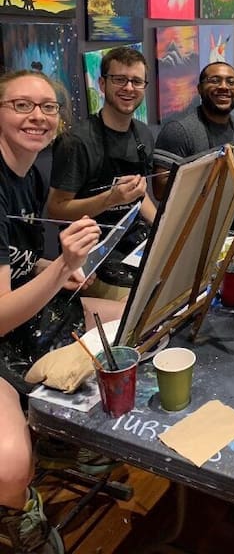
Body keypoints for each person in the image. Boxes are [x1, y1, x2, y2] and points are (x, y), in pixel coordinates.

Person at [0, 70, 104, 553]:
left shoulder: (24, 171)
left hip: (16, 320)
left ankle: (61, 436)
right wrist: (62, 264)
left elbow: (14, 262)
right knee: (10, 466)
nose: (37, 117)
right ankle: (19, 518)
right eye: (21, 105)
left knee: (119, 323)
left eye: (48, 108)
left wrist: (52, 268)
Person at [47, 47, 156, 286]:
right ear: (102, 84)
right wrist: (110, 198)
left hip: (134, 244)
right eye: (119, 79)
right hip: (92, 258)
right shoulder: (76, 142)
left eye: (136, 81)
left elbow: (140, 196)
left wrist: (164, 227)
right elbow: (56, 211)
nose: (128, 88)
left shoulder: (143, 135)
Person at [153, 62, 234, 201]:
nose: (224, 86)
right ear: (199, 89)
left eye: (231, 82)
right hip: (190, 219)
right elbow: (160, 191)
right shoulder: (179, 131)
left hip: (229, 215)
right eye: (215, 81)